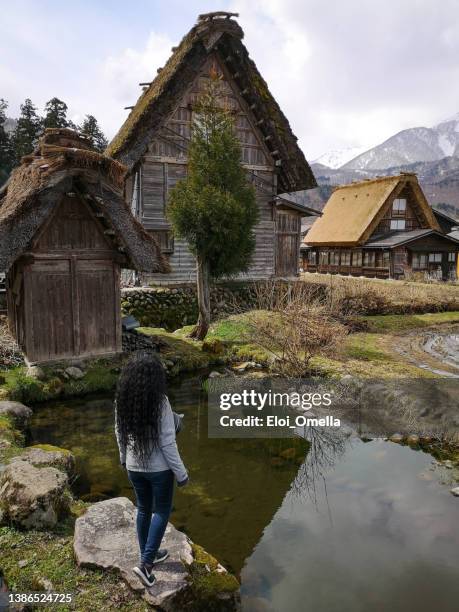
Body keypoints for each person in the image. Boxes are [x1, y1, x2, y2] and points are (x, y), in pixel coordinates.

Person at [114, 351, 189, 588]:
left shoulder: (122, 400)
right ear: (155, 377)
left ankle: (150, 552)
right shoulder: (161, 402)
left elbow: (119, 433)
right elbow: (168, 442)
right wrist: (182, 473)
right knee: (162, 511)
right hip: (160, 471)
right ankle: (146, 565)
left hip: (134, 468)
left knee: (144, 509)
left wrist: (124, 459)